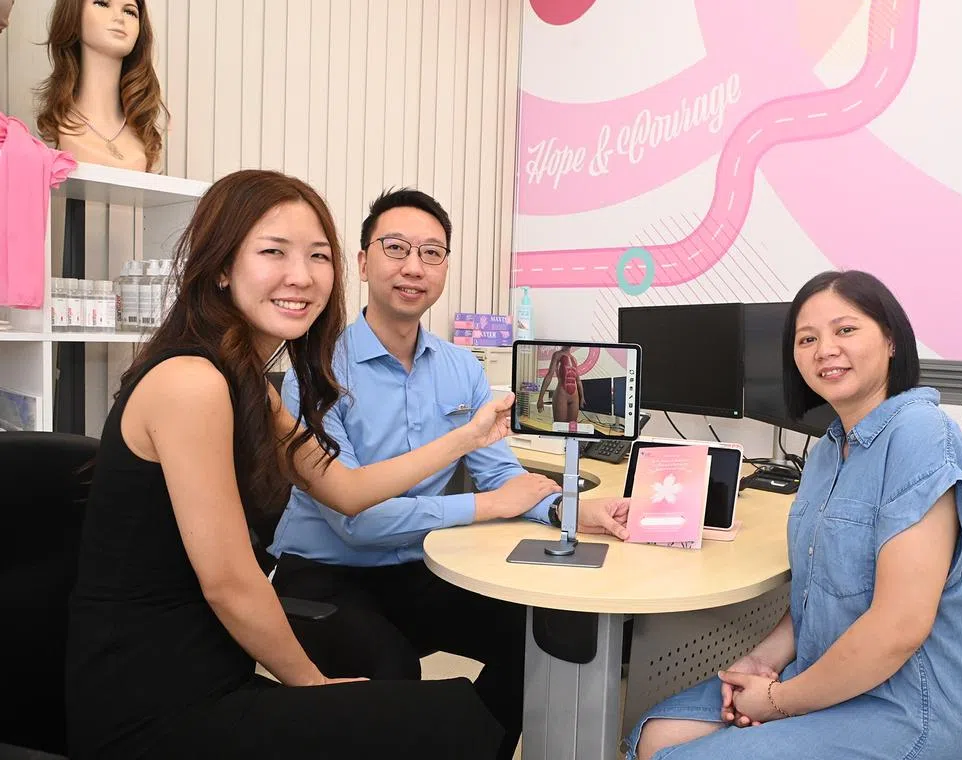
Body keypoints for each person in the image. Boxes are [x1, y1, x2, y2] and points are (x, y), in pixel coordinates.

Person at [65, 170, 512, 759]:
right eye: (273, 252)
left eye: (316, 256)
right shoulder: (191, 382)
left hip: (213, 666)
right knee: (451, 723)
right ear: (222, 266)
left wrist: (467, 438)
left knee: (461, 700)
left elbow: (347, 490)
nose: (301, 277)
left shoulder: (251, 384)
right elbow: (229, 582)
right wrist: (312, 686)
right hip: (152, 696)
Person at [268, 187, 632, 760]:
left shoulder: (461, 367)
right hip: (325, 573)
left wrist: (568, 508)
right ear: (362, 264)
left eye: (432, 253)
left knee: (540, 636)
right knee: (389, 668)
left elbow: (499, 472)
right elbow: (357, 521)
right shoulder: (315, 371)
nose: (413, 267)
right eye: (395, 248)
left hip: (418, 565)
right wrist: (487, 508)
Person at [628, 270, 962, 759]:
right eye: (807, 338)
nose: (825, 350)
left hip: (909, 707)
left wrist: (777, 701)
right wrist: (761, 662)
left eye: (845, 330)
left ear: (890, 340)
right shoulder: (825, 452)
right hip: (828, 676)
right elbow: (818, 593)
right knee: (653, 736)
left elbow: (899, 628)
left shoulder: (922, 436)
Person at [36, 0, 167, 172]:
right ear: (73, 15)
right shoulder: (60, 131)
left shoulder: (142, 138)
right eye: (102, 3)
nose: (119, 18)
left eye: (130, 12)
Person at [538, 344, 584, 424]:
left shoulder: (574, 359)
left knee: (572, 427)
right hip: (562, 394)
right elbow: (549, 375)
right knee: (560, 426)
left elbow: (578, 380)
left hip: (575, 397)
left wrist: (582, 397)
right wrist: (540, 398)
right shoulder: (557, 355)